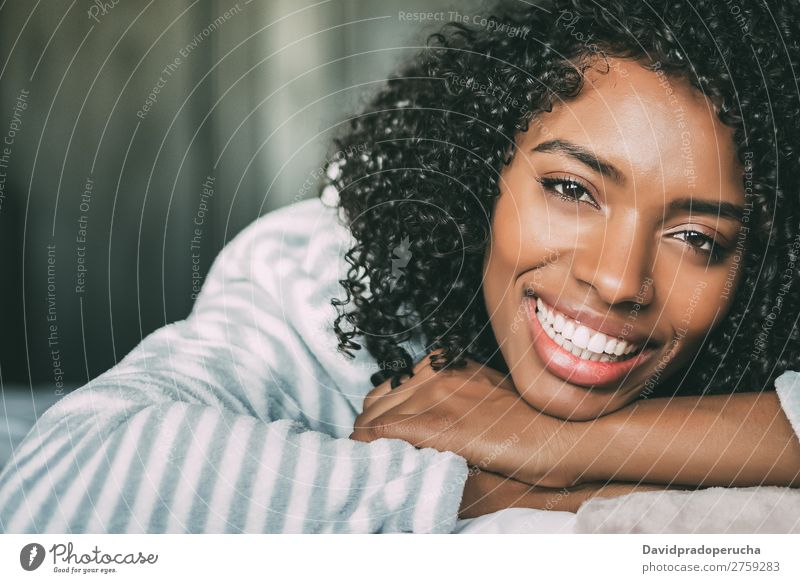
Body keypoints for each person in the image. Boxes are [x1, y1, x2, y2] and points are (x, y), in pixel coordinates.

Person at [0, 0, 798, 533]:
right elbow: (61, 488)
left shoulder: (761, 331)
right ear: (479, 175)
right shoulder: (326, 277)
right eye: (569, 188)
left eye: (699, 238)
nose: (620, 279)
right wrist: (476, 491)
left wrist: (552, 453)